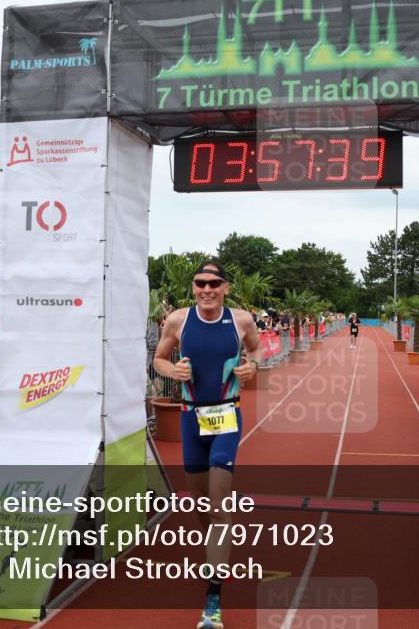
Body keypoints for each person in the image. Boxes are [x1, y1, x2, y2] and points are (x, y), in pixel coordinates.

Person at [152, 262, 260, 629]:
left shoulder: (242, 320)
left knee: (217, 505)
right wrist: (172, 372)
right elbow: (159, 360)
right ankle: (217, 542)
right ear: (194, 287)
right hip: (189, 417)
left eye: (214, 283)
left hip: (227, 418)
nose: (207, 289)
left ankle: (213, 598)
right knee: (203, 508)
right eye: (201, 283)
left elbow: (256, 352)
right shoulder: (178, 321)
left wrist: (251, 367)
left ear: (225, 287)